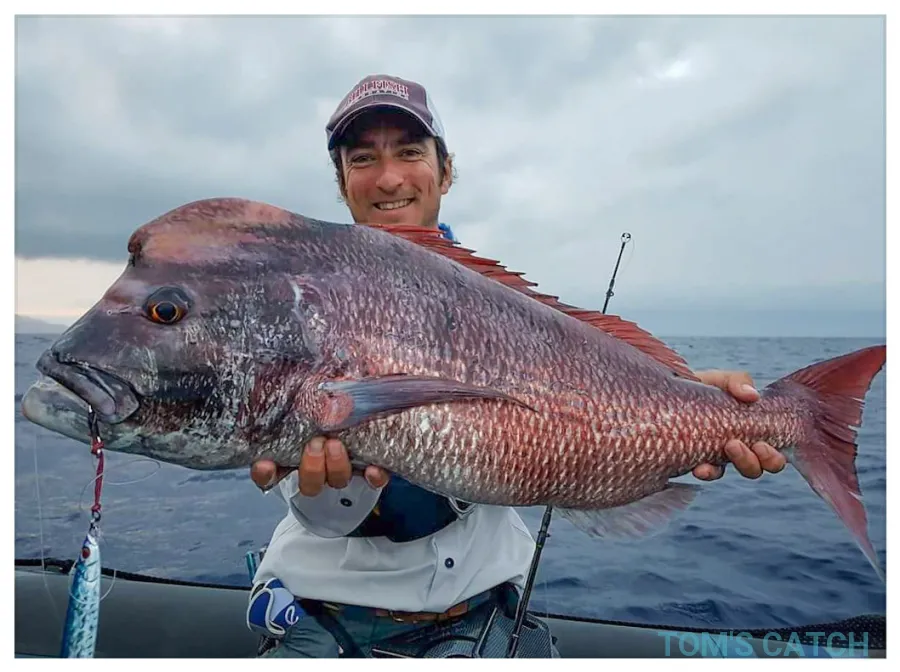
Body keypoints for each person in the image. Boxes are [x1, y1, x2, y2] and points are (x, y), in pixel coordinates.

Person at [245, 74, 787, 658]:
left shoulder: (506, 306)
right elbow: (319, 510)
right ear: (342, 183)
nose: (390, 177)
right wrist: (333, 481)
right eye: (362, 158)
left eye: (409, 151)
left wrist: (683, 400)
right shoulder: (304, 298)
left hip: (490, 614)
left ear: (445, 171)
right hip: (328, 618)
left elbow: (580, 399)